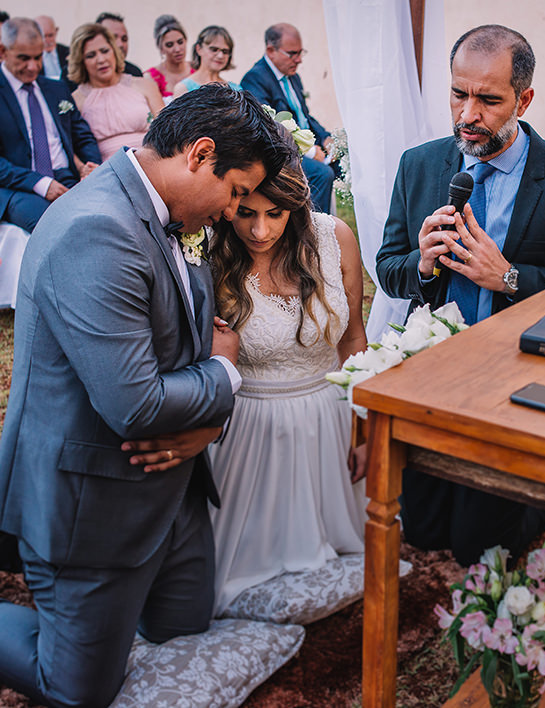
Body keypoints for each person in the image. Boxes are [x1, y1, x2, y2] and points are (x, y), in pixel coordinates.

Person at [0, 84, 291, 707]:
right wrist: (225, 375)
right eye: (237, 191)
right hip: (94, 503)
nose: (232, 210)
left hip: (174, 490)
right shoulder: (96, 229)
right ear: (199, 154)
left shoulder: (164, 208)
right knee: (77, 690)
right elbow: (135, 405)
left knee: (181, 628)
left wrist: (202, 429)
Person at [375, 25, 545, 566]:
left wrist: (510, 278)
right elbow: (388, 269)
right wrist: (423, 262)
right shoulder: (419, 165)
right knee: (424, 526)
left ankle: (543, 498)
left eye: (488, 99)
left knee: (479, 546)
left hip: (520, 376)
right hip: (436, 371)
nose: (468, 114)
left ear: (524, 99)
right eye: (459, 94)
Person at [204, 140, 368, 613]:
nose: (260, 230)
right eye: (247, 213)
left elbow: (353, 337)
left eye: (276, 214)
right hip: (250, 430)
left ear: (296, 207)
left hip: (328, 418)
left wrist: (362, 429)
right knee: (234, 566)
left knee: (341, 554)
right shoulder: (212, 249)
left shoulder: (334, 238)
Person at [0, 17, 100, 231]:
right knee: (58, 226)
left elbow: (82, 134)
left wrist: (91, 168)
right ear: (2, 50)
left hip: (68, 177)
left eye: (38, 58)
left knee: (108, 216)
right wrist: (41, 184)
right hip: (19, 187)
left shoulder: (56, 89)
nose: (33, 66)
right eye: (23, 58)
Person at [241, 23, 334, 214]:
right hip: (282, 152)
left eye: (301, 53)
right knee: (322, 174)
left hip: (310, 146)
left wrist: (326, 137)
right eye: (292, 53)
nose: (299, 60)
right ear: (270, 50)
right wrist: (308, 151)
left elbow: (305, 116)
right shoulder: (254, 78)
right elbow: (268, 126)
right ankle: (312, 230)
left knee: (348, 159)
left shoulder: (293, 77)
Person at [69, 23, 162, 162]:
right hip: (106, 173)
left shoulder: (145, 86)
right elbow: (68, 147)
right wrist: (83, 168)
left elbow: (168, 130)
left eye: (105, 51)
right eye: (91, 55)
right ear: (81, 61)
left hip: (152, 163)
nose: (101, 60)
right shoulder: (76, 100)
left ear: (114, 51)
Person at [172, 25, 239, 97]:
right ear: (199, 49)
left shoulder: (236, 90)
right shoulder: (183, 89)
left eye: (225, 51)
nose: (220, 56)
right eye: (214, 49)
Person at [146, 15, 188, 99]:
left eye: (180, 42)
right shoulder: (150, 78)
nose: (177, 49)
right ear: (161, 48)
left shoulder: (197, 69)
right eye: (169, 45)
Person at [96, 11, 142, 77]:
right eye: (113, 38)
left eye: (124, 39)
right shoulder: (82, 76)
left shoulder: (134, 73)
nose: (120, 44)